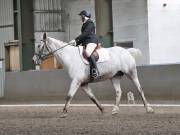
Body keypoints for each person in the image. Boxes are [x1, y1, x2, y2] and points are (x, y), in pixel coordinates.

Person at [69, 10, 99, 79]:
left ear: (84, 16)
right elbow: (83, 37)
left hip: (92, 41)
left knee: (88, 52)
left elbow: (85, 34)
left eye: (81, 16)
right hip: (86, 42)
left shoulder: (90, 23)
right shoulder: (84, 24)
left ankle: (94, 70)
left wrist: (75, 40)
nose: (80, 18)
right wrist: (75, 44)